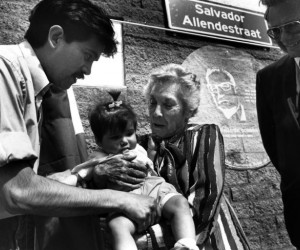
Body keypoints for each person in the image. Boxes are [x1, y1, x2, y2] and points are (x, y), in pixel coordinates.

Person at [0, 0, 157, 248]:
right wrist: (116, 199)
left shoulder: (33, 89)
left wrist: (89, 171)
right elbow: (16, 191)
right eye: (87, 56)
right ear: (56, 36)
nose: (87, 70)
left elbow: (25, 184)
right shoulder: (5, 69)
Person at [137, 63, 250, 249]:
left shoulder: (203, 136)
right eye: (152, 102)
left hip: (206, 241)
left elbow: (203, 206)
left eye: (168, 104)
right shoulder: (139, 145)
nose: (156, 112)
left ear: (188, 110)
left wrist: (149, 239)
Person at [66, 96, 199, 250]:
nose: (124, 141)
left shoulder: (140, 147)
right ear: (99, 141)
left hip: (156, 189)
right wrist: (71, 179)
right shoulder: (99, 157)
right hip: (126, 202)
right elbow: (80, 174)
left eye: (129, 133)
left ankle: (186, 244)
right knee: (117, 225)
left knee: (180, 203)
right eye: (115, 137)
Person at [257, 0, 300, 248]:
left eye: (292, 27)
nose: (283, 37)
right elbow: (274, 144)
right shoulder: (269, 78)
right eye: (275, 30)